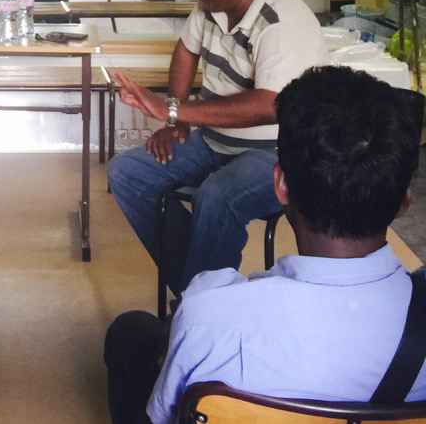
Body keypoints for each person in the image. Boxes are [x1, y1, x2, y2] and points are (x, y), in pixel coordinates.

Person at [105, 65, 426, 424]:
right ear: (404, 202)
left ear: (280, 185)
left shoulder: (207, 316)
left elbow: (167, 415)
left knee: (128, 332)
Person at [107, 0, 329, 300]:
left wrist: (173, 108)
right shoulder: (212, 5)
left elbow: (270, 105)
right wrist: (176, 121)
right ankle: (199, 296)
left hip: (280, 152)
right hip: (215, 141)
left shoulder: (282, 21)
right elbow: (186, 51)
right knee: (127, 173)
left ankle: (199, 302)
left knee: (217, 196)